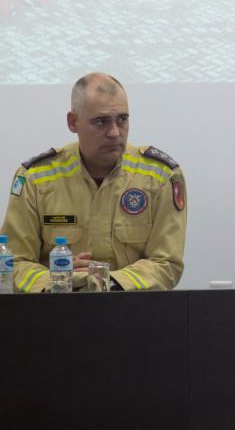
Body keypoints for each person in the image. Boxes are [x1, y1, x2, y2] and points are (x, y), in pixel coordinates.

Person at [0, 73, 187, 292]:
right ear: (73, 122)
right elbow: (13, 262)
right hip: (55, 314)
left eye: (122, 119)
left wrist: (105, 281)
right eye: (101, 122)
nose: (115, 133)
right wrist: (57, 279)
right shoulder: (36, 178)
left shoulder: (160, 176)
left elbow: (167, 263)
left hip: (134, 314)